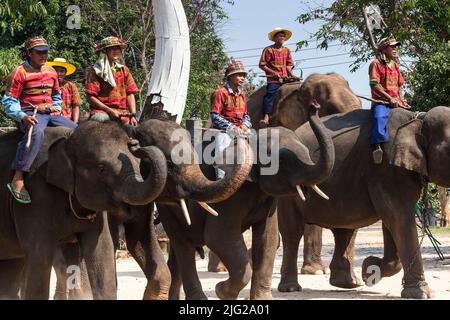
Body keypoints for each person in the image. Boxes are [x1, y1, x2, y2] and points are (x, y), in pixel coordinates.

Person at [1, 36, 77, 204]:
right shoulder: (19, 72)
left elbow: (56, 94)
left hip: (52, 113)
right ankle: (18, 176)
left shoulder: (50, 71)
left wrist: (56, 106)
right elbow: (9, 101)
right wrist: (23, 116)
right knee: (35, 133)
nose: (43, 55)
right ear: (29, 53)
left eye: (45, 52)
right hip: (30, 113)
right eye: (39, 52)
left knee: (77, 130)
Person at [210, 59, 252, 179]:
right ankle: (220, 179)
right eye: (239, 75)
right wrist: (231, 127)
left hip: (241, 130)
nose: (243, 78)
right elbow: (215, 116)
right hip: (224, 131)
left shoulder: (242, 95)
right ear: (231, 77)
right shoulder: (220, 93)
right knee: (221, 150)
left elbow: (246, 115)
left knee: (260, 145)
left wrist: (245, 124)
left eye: (244, 75)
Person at [85, 36, 139, 126]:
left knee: (136, 131)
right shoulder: (95, 71)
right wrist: (109, 110)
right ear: (104, 52)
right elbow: (90, 97)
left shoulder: (124, 70)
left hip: (122, 113)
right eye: (112, 49)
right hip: (102, 112)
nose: (116, 51)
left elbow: (130, 93)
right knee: (101, 120)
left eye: (117, 49)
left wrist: (132, 115)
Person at [369, 37, 407, 164]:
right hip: (382, 102)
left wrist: (401, 99)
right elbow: (374, 84)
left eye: (396, 47)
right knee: (379, 118)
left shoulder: (395, 65)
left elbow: (400, 84)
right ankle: (377, 146)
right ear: (384, 49)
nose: (395, 49)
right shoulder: (376, 64)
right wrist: (389, 98)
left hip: (396, 102)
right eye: (392, 47)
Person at [259, 27, 299, 127]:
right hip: (274, 80)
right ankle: (266, 117)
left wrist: (292, 75)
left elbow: (289, 65)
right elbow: (262, 65)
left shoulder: (287, 50)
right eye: (280, 36)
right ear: (275, 38)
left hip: (286, 79)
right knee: (270, 95)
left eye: (283, 36)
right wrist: (273, 73)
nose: (282, 38)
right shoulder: (268, 50)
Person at [46, 57, 81, 123]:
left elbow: (75, 106)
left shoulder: (71, 86)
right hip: (50, 117)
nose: (58, 74)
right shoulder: (47, 85)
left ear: (65, 73)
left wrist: (75, 122)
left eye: (61, 71)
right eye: (56, 71)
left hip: (66, 118)